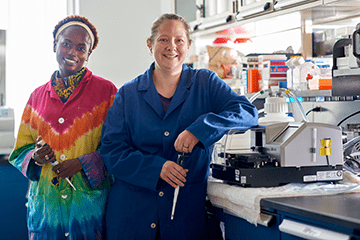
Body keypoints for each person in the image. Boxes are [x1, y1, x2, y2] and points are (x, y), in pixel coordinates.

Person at [100, 13, 258, 240]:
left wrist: (200, 129)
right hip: (132, 215)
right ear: (150, 44)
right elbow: (111, 150)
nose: (171, 47)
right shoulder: (128, 93)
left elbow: (247, 112)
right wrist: (157, 168)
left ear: (189, 45)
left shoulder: (206, 83)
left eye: (179, 40)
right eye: (163, 39)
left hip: (184, 215)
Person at [9, 15, 117, 240]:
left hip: (87, 209)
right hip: (47, 210)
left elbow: (118, 148)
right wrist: (36, 157)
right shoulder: (36, 97)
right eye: (66, 44)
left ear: (89, 54)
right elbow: (20, 152)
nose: (72, 53)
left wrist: (82, 163)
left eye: (81, 47)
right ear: (55, 45)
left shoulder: (107, 93)